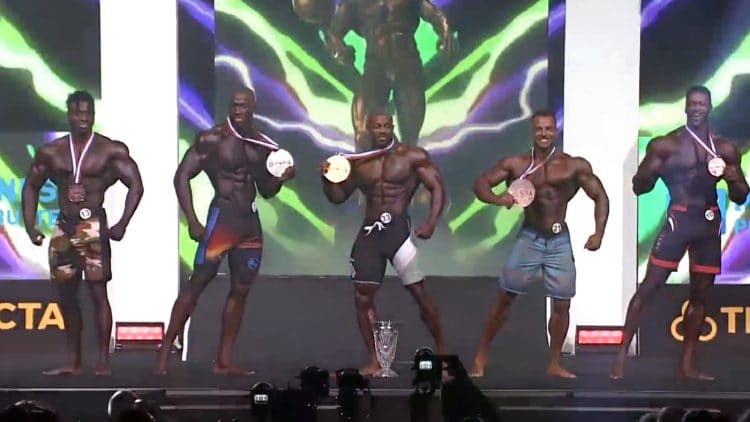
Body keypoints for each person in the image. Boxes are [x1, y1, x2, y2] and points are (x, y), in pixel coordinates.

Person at [610, 86, 749, 380]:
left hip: (708, 222)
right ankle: (620, 358)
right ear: (685, 108)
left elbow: (740, 195)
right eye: (692, 104)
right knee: (649, 287)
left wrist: (733, 178)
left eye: (702, 104)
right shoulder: (666, 146)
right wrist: (648, 174)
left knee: (700, 296)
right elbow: (639, 186)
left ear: (709, 108)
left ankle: (686, 365)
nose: (697, 108)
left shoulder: (724, 149)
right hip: (679, 220)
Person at [154, 87, 295, 375]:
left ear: (253, 108)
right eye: (234, 105)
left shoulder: (263, 145)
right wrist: (192, 220)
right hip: (223, 220)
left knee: (240, 290)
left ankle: (224, 360)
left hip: (249, 224)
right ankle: (164, 353)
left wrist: (282, 178)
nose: (238, 110)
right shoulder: (213, 139)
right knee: (197, 283)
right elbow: (182, 176)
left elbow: (267, 190)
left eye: (243, 106)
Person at [469, 110, 609, 378]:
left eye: (548, 128)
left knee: (562, 303)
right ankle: (480, 356)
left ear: (555, 131)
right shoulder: (516, 164)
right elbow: (481, 184)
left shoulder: (572, 166)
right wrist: (499, 199)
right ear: (532, 132)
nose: (544, 133)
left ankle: (554, 363)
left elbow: (600, 196)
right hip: (530, 237)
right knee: (505, 298)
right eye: (539, 129)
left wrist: (598, 233)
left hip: (559, 240)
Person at [22, 90, 144, 375]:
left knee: (98, 293)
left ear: (93, 115)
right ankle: (74, 362)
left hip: (93, 227)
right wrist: (30, 225)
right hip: (64, 227)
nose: (83, 118)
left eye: (88, 112)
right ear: (68, 114)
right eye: (78, 112)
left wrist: (123, 223)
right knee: (66, 296)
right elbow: (31, 186)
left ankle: (103, 360)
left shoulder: (109, 150)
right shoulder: (52, 152)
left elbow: (136, 185)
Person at [321, 113, 446, 375]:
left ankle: (444, 356)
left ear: (392, 127)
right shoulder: (358, 163)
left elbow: (436, 187)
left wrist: (432, 221)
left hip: (398, 234)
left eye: (386, 126)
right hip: (371, 234)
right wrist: (327, 179)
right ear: (368, 129)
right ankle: (376, 361)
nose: (381, 130)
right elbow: (338, 197)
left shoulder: (412, 156)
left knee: (420, 294)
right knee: (362, 297)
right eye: (376, 126)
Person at [295, 0, 456, 150]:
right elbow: (334, 36)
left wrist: (444, 29)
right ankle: (373, 164)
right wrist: (339, 51)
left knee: (410, 137)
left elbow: (432, 13)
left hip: (407, 64)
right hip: (376, 65)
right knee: (363, 129)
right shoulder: (354, 3)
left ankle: (402, 163)